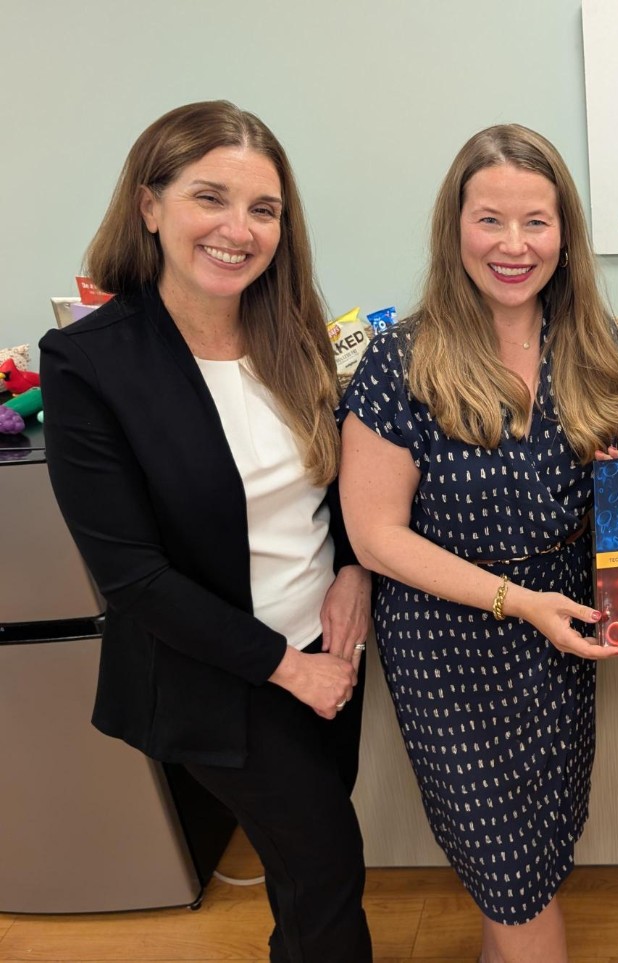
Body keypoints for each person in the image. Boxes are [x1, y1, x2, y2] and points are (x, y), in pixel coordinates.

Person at [39, 101, 373, 962]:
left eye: (264, 209)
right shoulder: (91, 362)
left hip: (327, 655)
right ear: (149, 204)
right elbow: (132, 576)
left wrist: (352, 574)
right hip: (222, 678)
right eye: (210, 198)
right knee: (329, 866)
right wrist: (289, 669)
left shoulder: (290, 328)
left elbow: (331, 485)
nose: (240, 229)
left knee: (307, 875)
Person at [338, 123, 618, 963]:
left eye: (536, 222)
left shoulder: (593, 344)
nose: (514, 246)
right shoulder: (399, 360)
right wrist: (515, 601)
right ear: (455, 228)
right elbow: (374, 535)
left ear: (565, 234)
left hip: (560, 637)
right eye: (490, 220)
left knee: (536, 850)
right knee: (506, 863)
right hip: (451, 642)